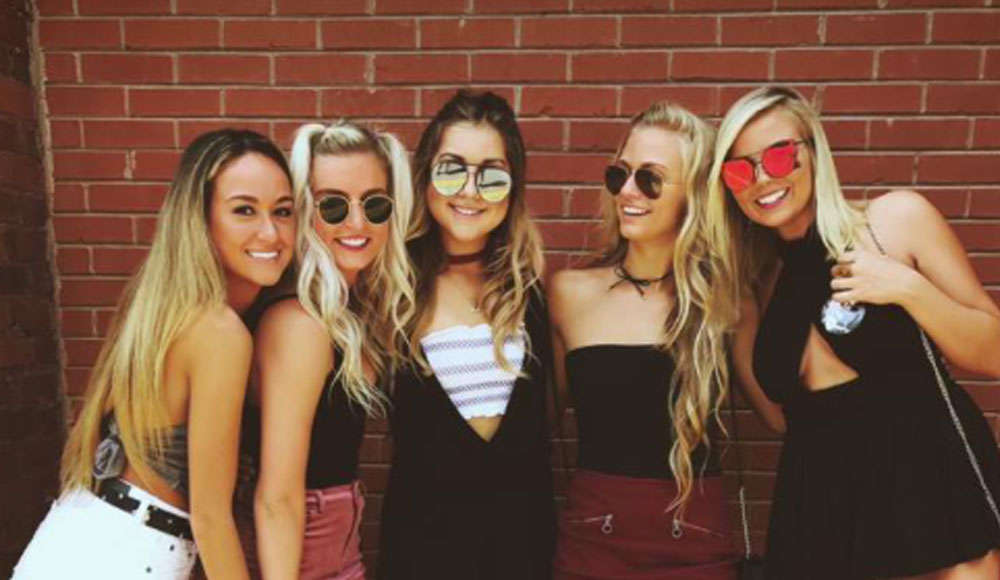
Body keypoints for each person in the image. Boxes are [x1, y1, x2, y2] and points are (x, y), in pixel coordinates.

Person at [707, 85, 1000, 579]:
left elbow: (993, 353)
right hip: (821, 496)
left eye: (779, 156)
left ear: (813, 152)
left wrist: (908, 289)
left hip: (926, 477)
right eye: (740, 170)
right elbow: (780, 417)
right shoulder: (763, 283)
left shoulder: (893, 221)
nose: (763, 179)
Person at [14, 129, 295, 579]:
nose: (271, 232)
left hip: (77, 539)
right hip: (126, 555)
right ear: (199, 219)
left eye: (283, 211)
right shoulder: (219, 332)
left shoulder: (162, 305)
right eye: (244, 210)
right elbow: (210, 518)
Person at [548, 100, 772, 579]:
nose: (627, 191)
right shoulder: (569, 293)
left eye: (650, 179)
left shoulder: (728, 300)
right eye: (619, 174)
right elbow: (534, 428)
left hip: (696, 547)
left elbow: (780, 415)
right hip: (593, 543)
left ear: (694, 195)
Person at [377, 90, 556, 579]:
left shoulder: (530, 294)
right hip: (421, 557)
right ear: (425, 176)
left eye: (492, 175)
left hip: (521, 556)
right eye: (451, 169)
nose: (470, 191)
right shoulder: (391, 289)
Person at [235, 121, 414, 580]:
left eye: (374, 204)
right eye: (332, 205)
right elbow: (277, 497)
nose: (356, 223)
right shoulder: (300, 324)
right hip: (300, 549)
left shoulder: (348, 311)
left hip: (337, 543)